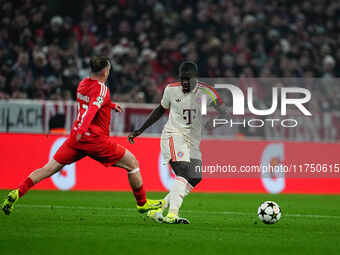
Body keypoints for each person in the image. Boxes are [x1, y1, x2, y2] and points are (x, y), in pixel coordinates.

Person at [2, 56, 164, 216]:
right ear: (105, 71)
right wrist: (83, 130)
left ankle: (17, 192)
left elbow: (90, 103)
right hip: (94, 140)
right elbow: (92, 109)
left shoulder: (83, 84)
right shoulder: (102, 88)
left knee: (48, 168)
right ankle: (142, 203)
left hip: (75, 140)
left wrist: (110, 105)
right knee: (132, 164)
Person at [128, 61, 227, 224]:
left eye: (188, 79)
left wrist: (216, 122)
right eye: (183, 79)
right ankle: (172, 214)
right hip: (173, 135)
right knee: (184, 171)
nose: (185, 83)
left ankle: (159, 209)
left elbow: (226, 113)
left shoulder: (207, 92)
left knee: (195, 177)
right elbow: (160, 110)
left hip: (193, 140)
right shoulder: (171, 89)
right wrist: (140, 130)